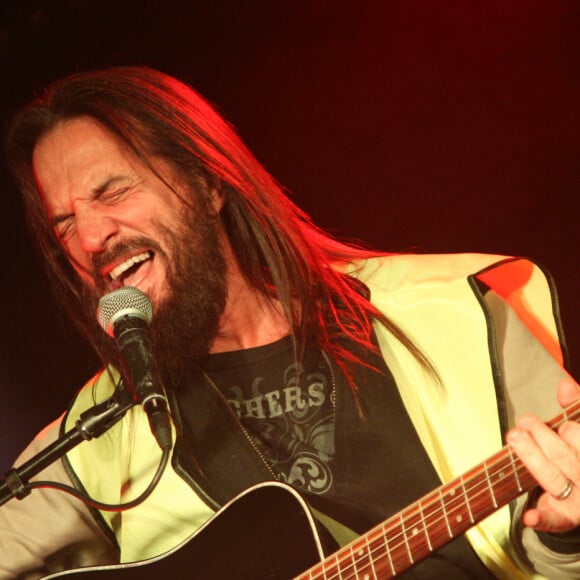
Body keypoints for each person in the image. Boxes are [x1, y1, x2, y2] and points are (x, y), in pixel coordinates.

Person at [0, 66, 578, 579]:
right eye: (65, 225)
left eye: (113, 191)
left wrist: (568, 533)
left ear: (207, 182)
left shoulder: (465, 307)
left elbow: (553, 540)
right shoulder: (97, 436)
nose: (92, 238)